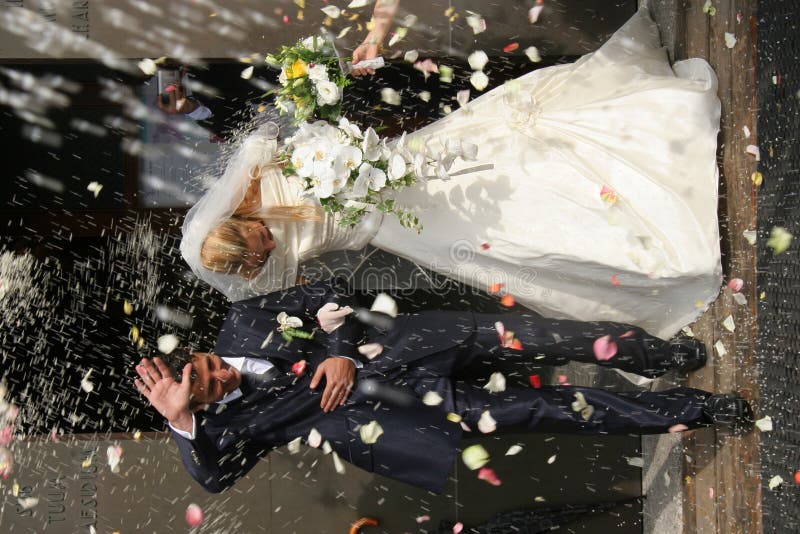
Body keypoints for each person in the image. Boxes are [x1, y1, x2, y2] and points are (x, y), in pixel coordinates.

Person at [180, 8, 722, 340]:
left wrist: (329, 95)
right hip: (399, 226)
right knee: (509, 250)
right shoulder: (271, 268)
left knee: (505, 147)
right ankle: (631, 260)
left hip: (398, 161)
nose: (265, 248)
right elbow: (302, 302)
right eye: (255, 257)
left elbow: (302, 113)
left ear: (236, 220)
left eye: (254, 240)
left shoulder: (256, 168)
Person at [134, 278, 752, 494]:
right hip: (407, 412)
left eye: (207, 368)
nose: (219, 378)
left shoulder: (242, 320)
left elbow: (327, 293)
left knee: (546, 336)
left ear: (199, 352)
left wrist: (341, 350)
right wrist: (183, 422)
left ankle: (663, 353)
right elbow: (213, 479)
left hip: (412, 342)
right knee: (556, 408)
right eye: (208, 389)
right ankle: (697, 408)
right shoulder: (226, 427)